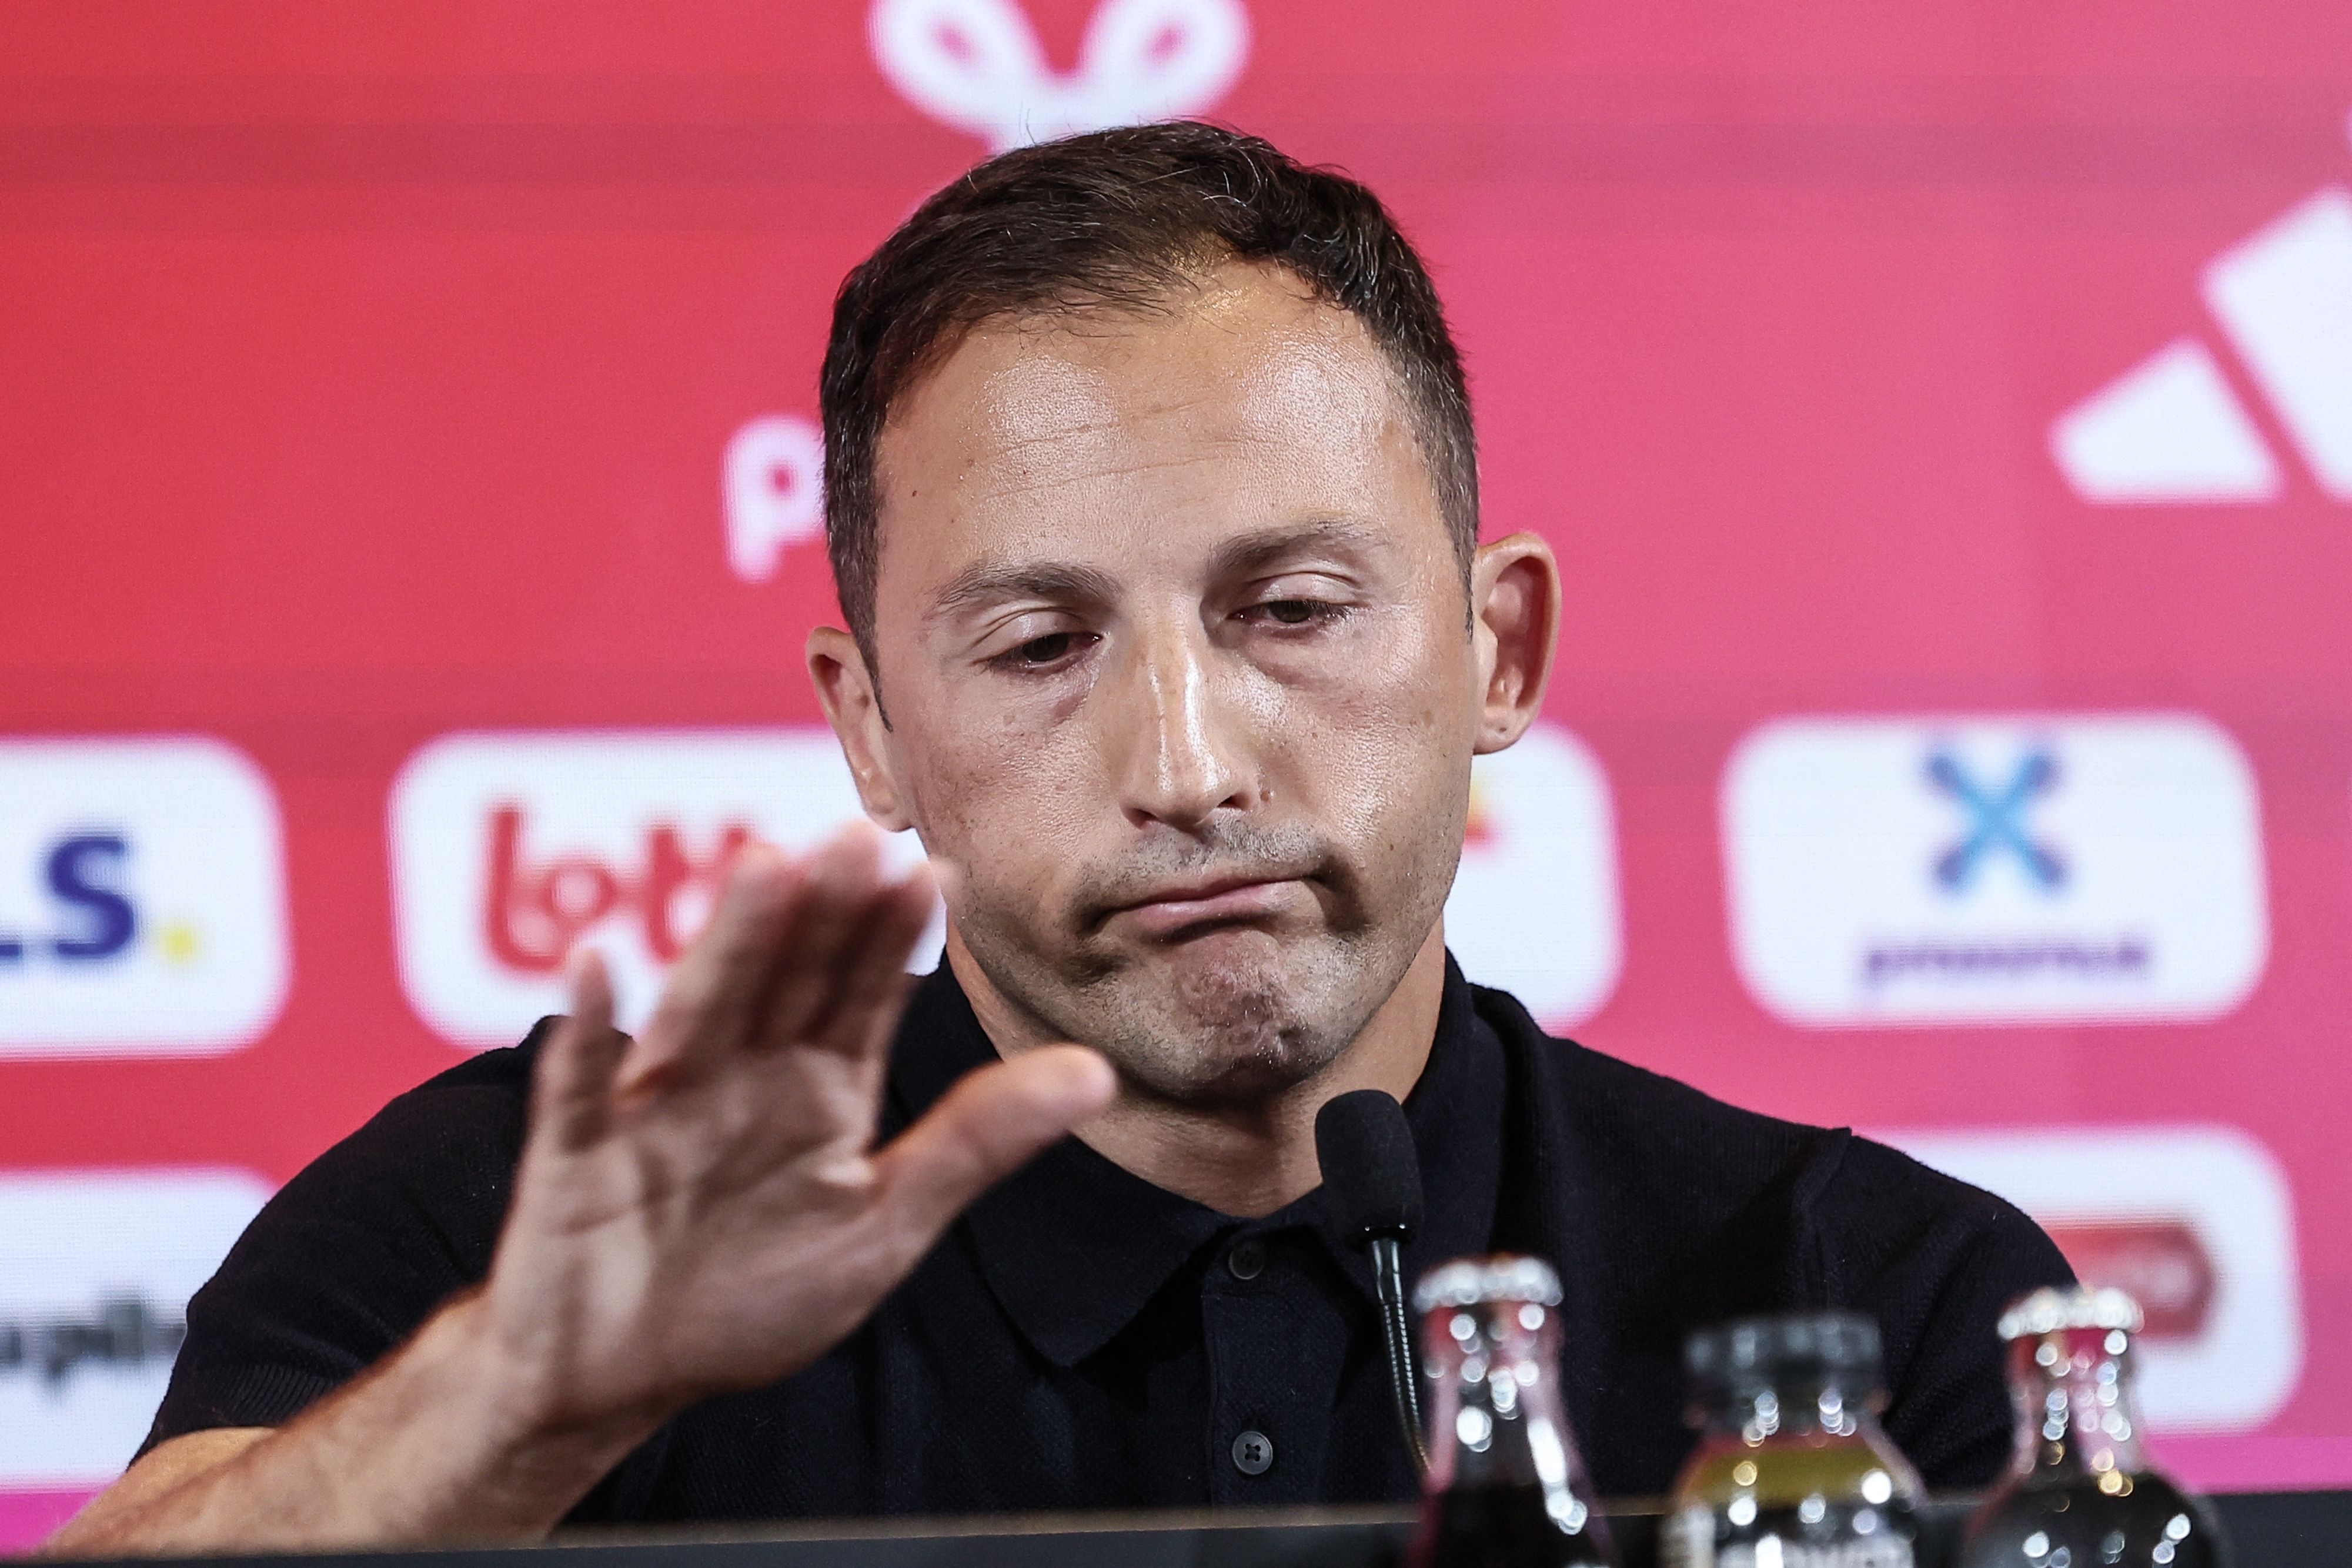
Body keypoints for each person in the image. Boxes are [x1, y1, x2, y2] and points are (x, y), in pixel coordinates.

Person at [48, 122, 2070, 1555]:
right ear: (875, 729)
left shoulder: (1875, 1307)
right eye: (1039, 642)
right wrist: (513, 1409)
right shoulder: (518, 1239)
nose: (1186, 759)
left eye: (1290, 610)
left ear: (1499, 645)